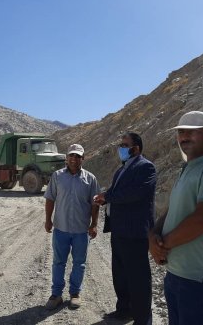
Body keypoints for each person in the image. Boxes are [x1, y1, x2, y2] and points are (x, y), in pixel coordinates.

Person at [149, 111, 203, 325]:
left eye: (192, 131)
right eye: (180, 132)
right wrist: (153, 237)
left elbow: (201, 220)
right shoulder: (188, 168)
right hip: (176, 273)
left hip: (200, 278)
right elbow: (171, 211)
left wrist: (164, 245)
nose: (184, 137)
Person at [94, 132, 156, 325]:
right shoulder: (121, 170)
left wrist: (109, 197)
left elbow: (135, 193)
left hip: (135, 232)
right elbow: (115, 191)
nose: (120, 148)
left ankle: (142, 319)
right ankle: (124, 311)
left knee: (138, 278)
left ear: (135, 148)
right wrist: (104, 196)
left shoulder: (146, 167)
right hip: (119, 231)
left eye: (124, 144)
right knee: (120, 274)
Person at [44, 143, 100, 310]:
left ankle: (75, 294)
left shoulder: (90, 179)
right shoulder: (57, 176)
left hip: (81, 231)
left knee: (79, 263)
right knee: (58, 262)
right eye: (71, 155)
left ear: (83, 158)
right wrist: (48, 220)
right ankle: (56, 295)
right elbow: (50, 198)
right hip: (61, 228)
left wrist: (94, 224)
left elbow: (95, 204)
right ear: (66, 158)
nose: (74, 159)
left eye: (78, 156)